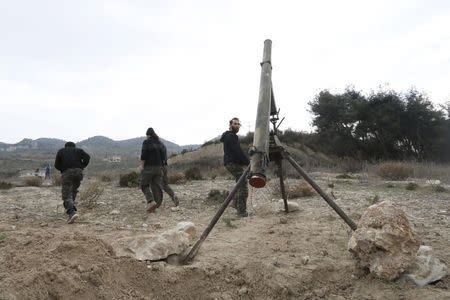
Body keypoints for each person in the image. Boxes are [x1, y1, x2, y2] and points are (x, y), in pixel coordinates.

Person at [220, 117, 250, 217]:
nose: (237, 125)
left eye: (238, 124)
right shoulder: (232, 136)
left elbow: (237, 152)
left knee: (239, 184)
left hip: (230, 163)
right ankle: (241, 212)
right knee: (243, 187)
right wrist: (247, 162)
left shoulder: (229, 136)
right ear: (230, 125)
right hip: (232, 163)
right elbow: (237, 152)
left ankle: (235, 203)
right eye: (235, 124)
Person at [54, 142, 90, 223]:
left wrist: (63, 169)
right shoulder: (79, 150)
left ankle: (71, 212)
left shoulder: (61, 151)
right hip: (78, 172)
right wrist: (82, 166)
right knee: (73, 190)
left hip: (67, 173)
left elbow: (56, 165)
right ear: (74, 146)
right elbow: (88, 157)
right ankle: (70, 208)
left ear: (65, 146)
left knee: (66, 194)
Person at [140, 127, 165, 213]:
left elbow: (143, 155)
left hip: (149, 167)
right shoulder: (160, 143)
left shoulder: (146, 142)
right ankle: (156, 204)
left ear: (148, 135)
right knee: (155, 185)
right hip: (159, 167)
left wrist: (142, 167)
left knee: (143, 185)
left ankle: (151, 201)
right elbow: (163, 156)